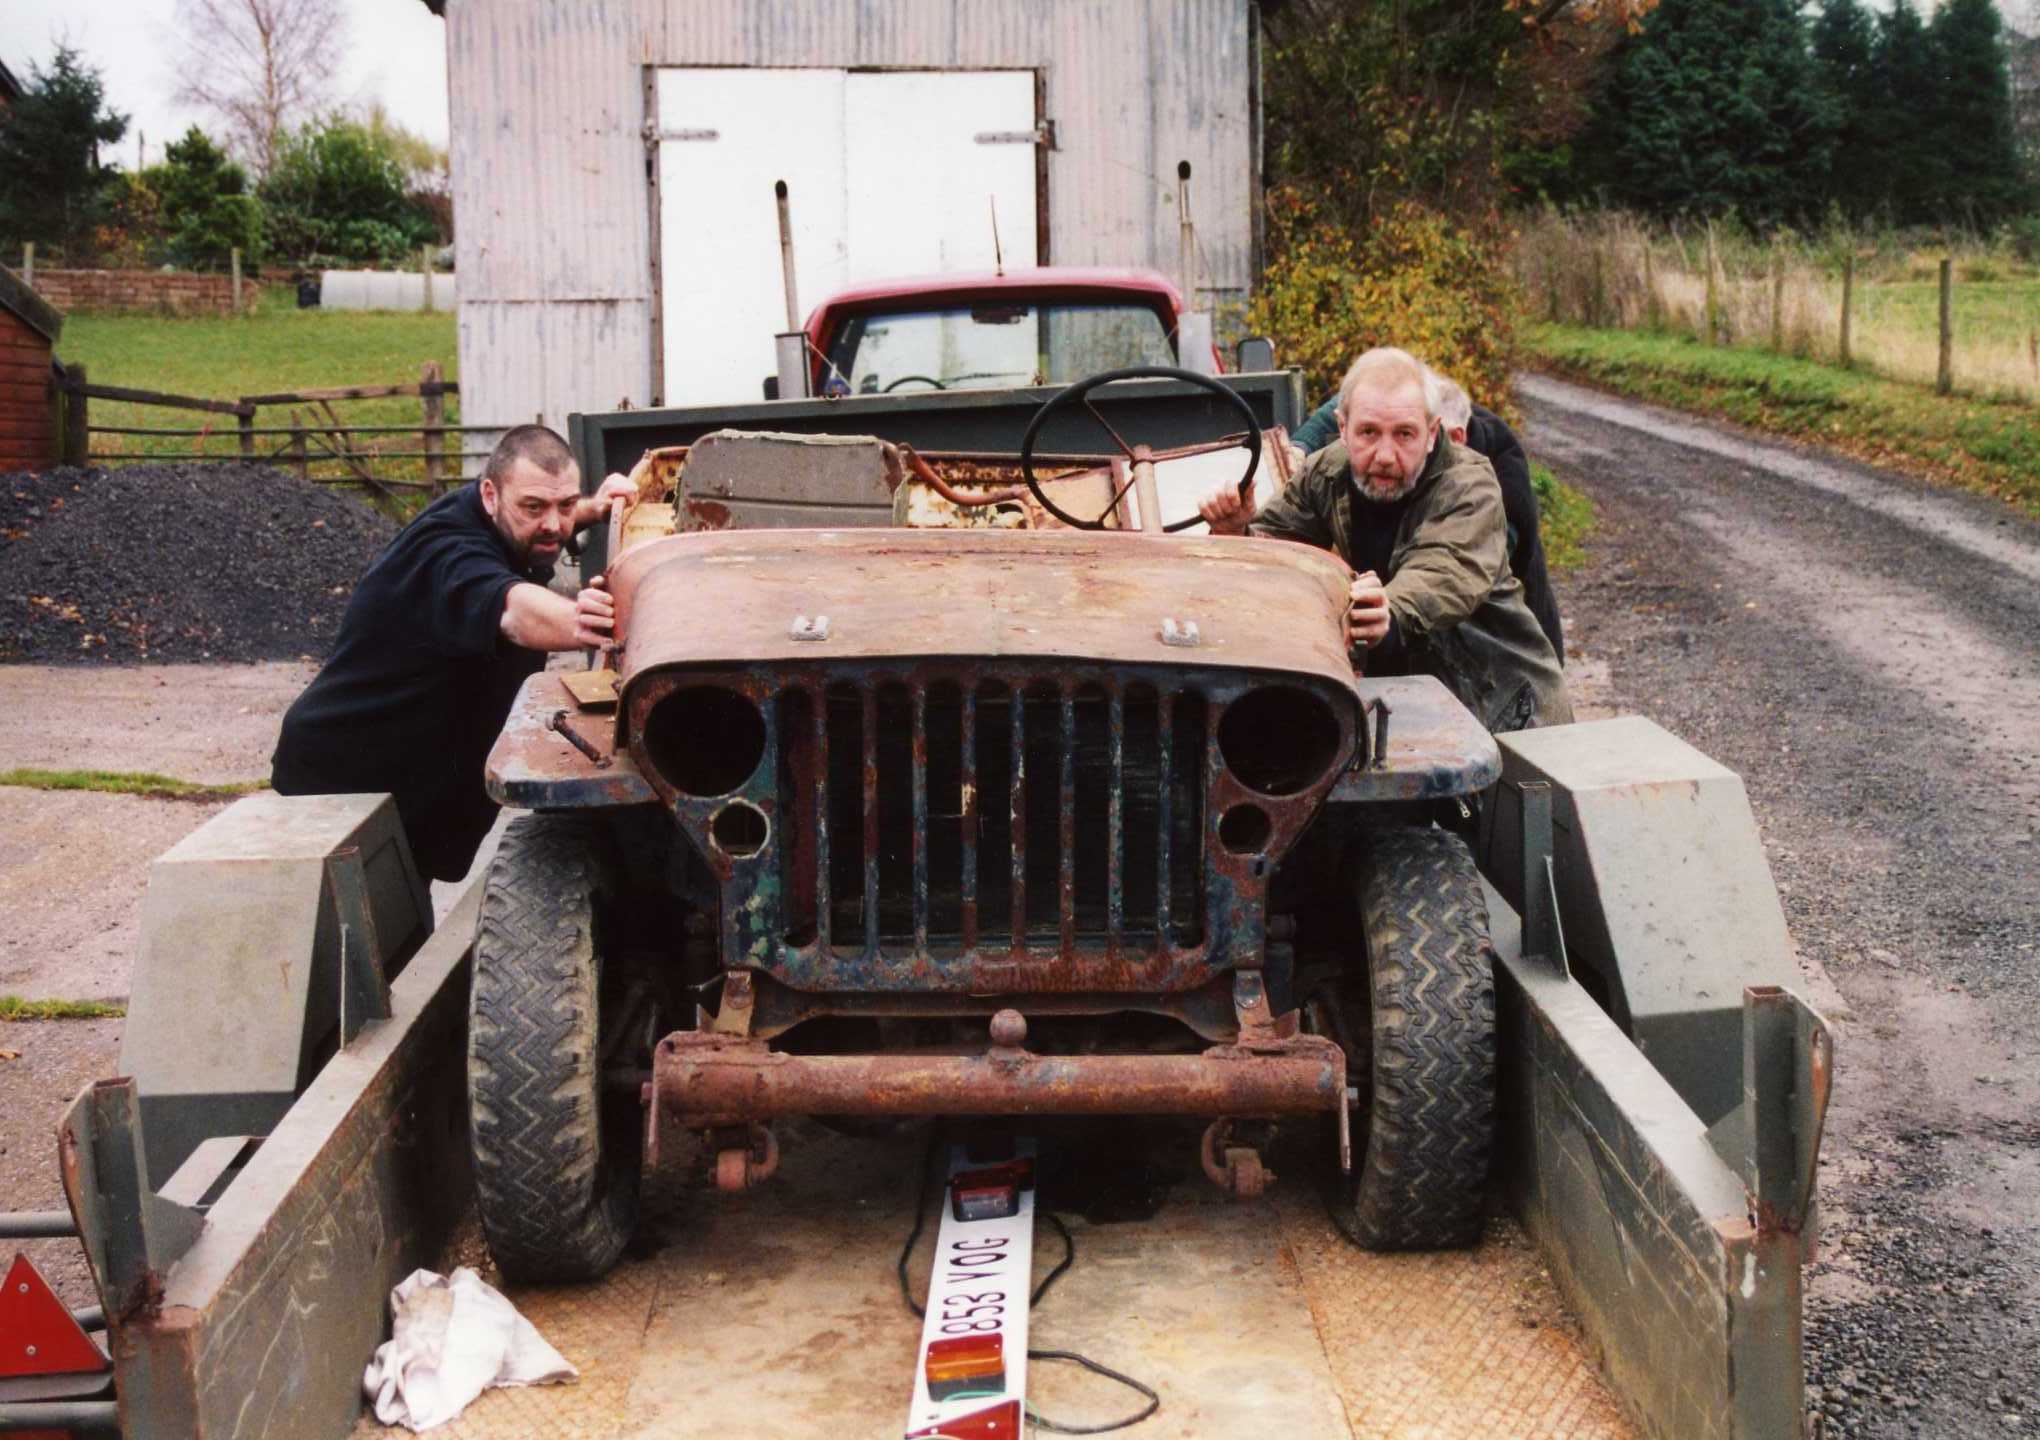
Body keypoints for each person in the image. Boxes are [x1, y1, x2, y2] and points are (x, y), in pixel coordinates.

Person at [272, 425, 635, 881]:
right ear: (490, 495)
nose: (554, 525)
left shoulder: (503, 514)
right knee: (354, 938)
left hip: (414, 772)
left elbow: (544, 516)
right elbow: (510, 611)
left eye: (565, 506)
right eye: (534, 507)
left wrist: (594, 508)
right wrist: (583, 623)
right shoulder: (447, 553)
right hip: (343, 781)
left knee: (406, 914)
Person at [1200, 347, 1570, 733]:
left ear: (1432, 434)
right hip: (1408, 703)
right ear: (1343, 428)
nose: (1385, 456)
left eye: (1405, 434)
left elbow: (1443, 572)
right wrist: (1238, 532)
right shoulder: (1327, 472)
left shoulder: (1469, 486)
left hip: (1506, 711)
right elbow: (1280, 545)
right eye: (1368, 433)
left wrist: (1387, 610)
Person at [1291, 372, 1564, 665]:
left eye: (1408, 437)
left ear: (1449, 437)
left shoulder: (1496, 488)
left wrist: (1388, 607)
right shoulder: (1429, 409)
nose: (1393, 455)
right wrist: (1301, 446)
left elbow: (1450, 574)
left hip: (1505, 658)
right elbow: (1354, 401)